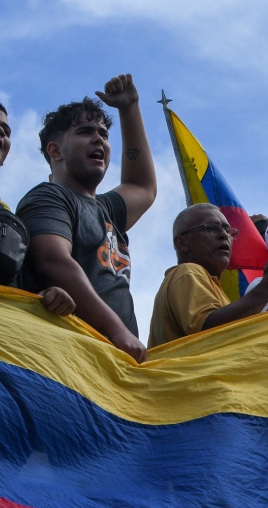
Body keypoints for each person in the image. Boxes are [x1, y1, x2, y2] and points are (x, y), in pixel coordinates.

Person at [17, 75, 156, 362]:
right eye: (85, 132)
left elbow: (143, 186)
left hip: (116, 358)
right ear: (54, 150)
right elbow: (53, 261)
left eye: (104, 135)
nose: (99, 139)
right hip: (70, 355)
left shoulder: (107, 209)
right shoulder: (49, 197)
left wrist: (130, 108)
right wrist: (117, 332)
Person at [148, 204, 268, 348]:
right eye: (211, 228)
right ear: (182, 243)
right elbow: (212, 334)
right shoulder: (188, 271)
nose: (224, 235)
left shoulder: (212, 288)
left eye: (228, 231)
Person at [0, 101, 75, 317]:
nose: (2, 134)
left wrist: (47, 297)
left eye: (6, 131)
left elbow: (17, 287)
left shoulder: (10, 224)